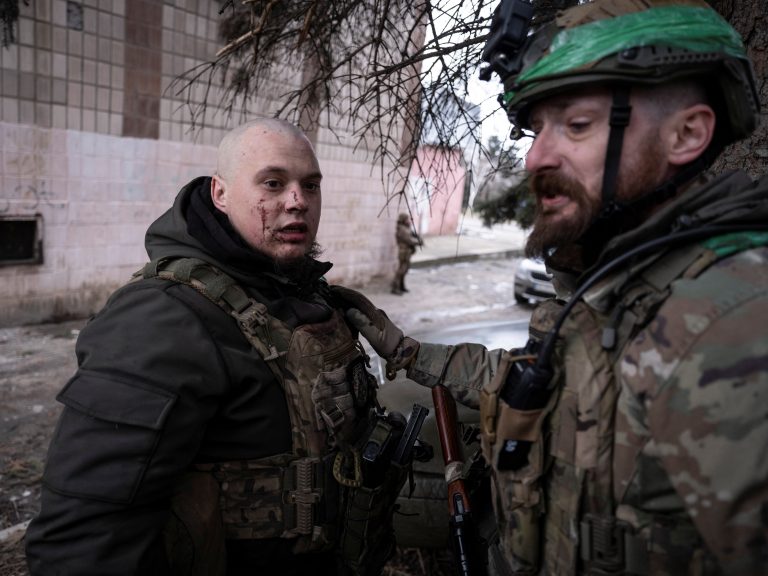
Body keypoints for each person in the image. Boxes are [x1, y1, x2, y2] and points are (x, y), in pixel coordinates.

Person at [337, 1, 768, 574]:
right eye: (537, 128)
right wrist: (407, 351)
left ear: (686, 135)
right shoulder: (616, 293)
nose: (536, 156)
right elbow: (532, 384)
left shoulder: (733, 324)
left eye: (577, 125)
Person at [25, 119, 414, 576]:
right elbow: (83, 538)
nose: (298, 201)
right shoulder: (164, 316)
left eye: (311, 185)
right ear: (220, 194)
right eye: (273, 183)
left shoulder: (297, 290)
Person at [391, 212, 422, 295]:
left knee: (405, 270)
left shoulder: (405, 228)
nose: (409, 221)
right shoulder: (402, 229)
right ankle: (395, 287)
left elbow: (411, 236)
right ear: (403, 220)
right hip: (403, 252)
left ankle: (401, 286)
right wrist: (418, 242)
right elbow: (409, 240)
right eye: (407, 219)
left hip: (407, 252)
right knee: (401, 270)